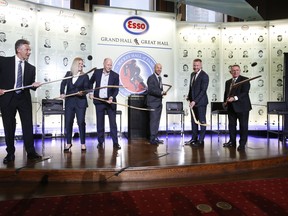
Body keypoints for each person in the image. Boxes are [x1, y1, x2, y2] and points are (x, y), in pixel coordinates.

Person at [0, 39, 42, 164]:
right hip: (7, 99)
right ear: (18, 49)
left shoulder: (31, 68)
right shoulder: (4, 61)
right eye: (27, 49)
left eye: (29, 50)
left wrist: (34, 85)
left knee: (28, 125)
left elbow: (30, 86)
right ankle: (10, 153)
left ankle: (31, 152)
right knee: (9, 126)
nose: (29, 52)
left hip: (24, 99)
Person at [89, 58, 121, 149]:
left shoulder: (115, 75)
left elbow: (116, 89)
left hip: (110, 102)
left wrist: (111, 97)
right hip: (99, 101)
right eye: (108, 64)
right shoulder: (97, 72)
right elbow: (90, 82)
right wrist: (91, 93)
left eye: (111, 65)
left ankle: (115, 143)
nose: (109, 67)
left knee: (113, 123)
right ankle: (100, 142)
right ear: (103, 64)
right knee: (100, 123)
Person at [60, 57, 90, 152]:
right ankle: (68, 143)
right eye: (79, 63)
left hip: (80, 102)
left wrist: (83, 92)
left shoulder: (85, 76)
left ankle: (83, 143)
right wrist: (62, 93)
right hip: (69, 102)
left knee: (81, 122)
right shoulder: (69, 74)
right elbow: (62, 84)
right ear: (75, 64)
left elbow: (87, 89)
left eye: (82, 63)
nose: (81, 65)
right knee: (68, 122)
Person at [223, 64, 252, 151]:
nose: (235, 72)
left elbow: (245, 92)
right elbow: (226, 93)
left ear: (240, 71)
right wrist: (225, 101)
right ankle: (232, 142)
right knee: (231, 125)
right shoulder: (228, 82)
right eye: (233, 70)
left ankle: (242, 144)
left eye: (237, 70)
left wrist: (234, 98)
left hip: (243, 107)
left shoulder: (245, 80)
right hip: (231, 107)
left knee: (243, 126)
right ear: (230, 72)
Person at [185, 58, 209, 147]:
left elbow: (203, 91)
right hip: (193, 102)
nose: (195, 67)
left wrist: (195, 101)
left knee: (202, 121)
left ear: (201, 65)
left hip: (201, 102)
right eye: (194, 65)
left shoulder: (204, 75)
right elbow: (191, 88)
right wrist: (189, 96)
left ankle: (201, 140)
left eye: (197, 65)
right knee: (193, 122)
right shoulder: (192, 74)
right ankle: (193, 139)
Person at [146, 63, 166, 145]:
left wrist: (162, 93)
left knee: (157, 121)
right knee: (153, 121)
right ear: (154, 68)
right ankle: (152, 139)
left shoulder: (160, 78)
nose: (159, 69)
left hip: (158, 103)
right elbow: (151, 90)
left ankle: (155, 137)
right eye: (158, 68)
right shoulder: (151, 78)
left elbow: (158, 89)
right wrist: (161, 92)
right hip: (153, 103)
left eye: (160, 68)